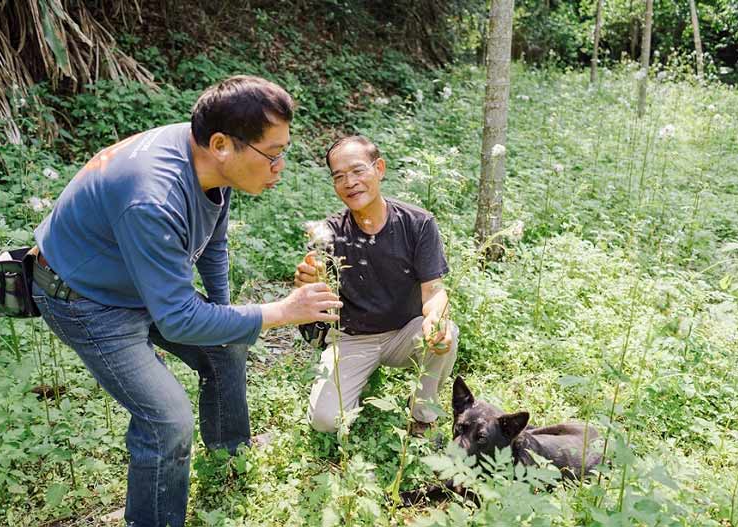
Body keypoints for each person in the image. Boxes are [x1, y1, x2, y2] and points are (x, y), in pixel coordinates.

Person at [31, 76, 342, 527]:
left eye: (284, 152)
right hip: (86, 299)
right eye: (272, 155)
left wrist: (224, 318)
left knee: (228, 343)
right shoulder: (153, 197)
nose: (280, 167)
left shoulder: (211, 160)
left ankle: (229, 460)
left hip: (139, 281)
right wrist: (282, 311)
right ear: (221, 145)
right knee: (168, 421)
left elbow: (213, 242)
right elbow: (177, 319)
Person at [294, 135, 458, 436]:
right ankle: (358, 379)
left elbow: (434, 290)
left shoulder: (418, 223)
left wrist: (437, 318)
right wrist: (309, 284)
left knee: (447, 332)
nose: (350, 182)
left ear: (379, 168)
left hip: (405, 332)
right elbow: (315, 292)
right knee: (326, 422)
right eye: (339, 176)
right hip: (352, 339)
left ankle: (422, 415)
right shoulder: (329, 233)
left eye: (358, 171)